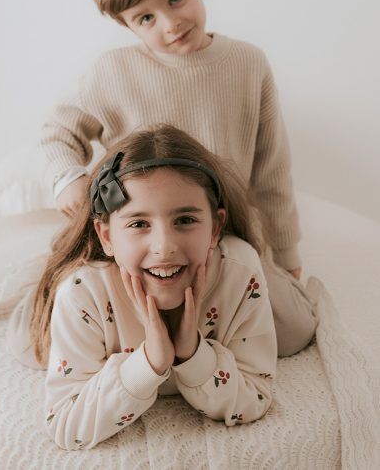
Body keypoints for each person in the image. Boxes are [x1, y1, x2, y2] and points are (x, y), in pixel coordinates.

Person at [37, 0, 316, 357]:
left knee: (295, 329)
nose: (170, 23)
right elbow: (57, 133)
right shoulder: (112, 73)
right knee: (46, 329)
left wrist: (285, 258)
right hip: (139, 243)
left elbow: (271, 175)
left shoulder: (248, 65)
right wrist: (68, 179)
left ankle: (189, 338)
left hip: (214, 236)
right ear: (127, 24)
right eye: (146, 17)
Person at [29, 125, 278, 450]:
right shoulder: (81, 292)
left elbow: (254, 397)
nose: (164, 246)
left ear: (215, 228)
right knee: (28, 336)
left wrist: (192, 353)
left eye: (185, 220)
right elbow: (65, 424)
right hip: (66, 296)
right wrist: (149, 362)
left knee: (298, 325)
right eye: (138, 224)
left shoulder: (240, 273)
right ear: (107, 237)